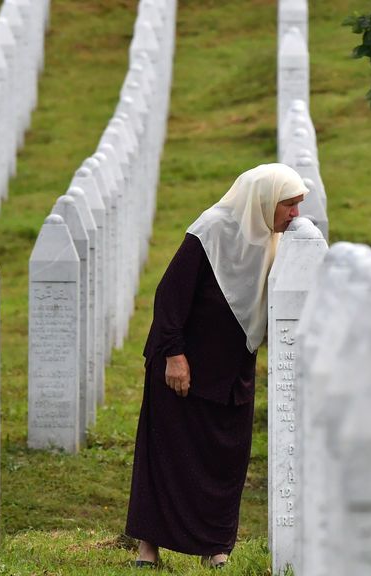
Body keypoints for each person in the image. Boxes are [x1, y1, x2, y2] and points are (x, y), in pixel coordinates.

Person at [125, 163, 307, 569]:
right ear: (263, 200)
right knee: (166, 456)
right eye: (288, 205)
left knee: (225, 460)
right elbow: (169, 295)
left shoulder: (274, 239)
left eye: (298, 206)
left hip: (231, 372)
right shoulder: (211, 229)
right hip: (182, 368)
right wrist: (173, 355)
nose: (294, 216)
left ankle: (216, 547)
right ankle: (148, 549)